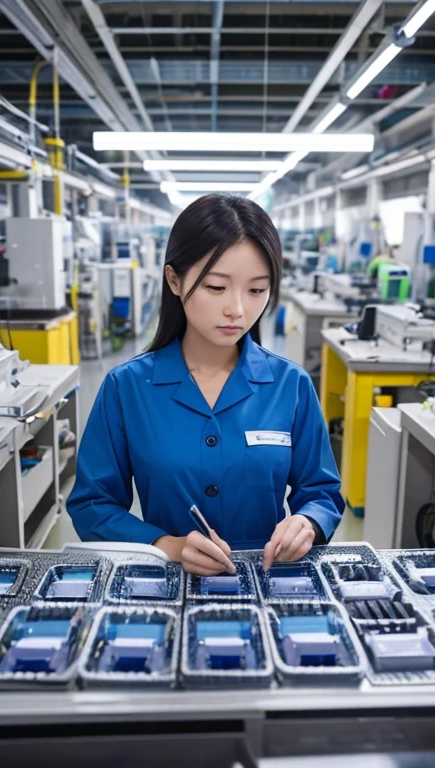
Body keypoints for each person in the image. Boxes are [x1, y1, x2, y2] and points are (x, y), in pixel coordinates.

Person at [67, 194, 344, 575]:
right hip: (166, 581)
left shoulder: (290, 385)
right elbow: (92, 504)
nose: (238, 309)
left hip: (268, 581)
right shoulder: (126, 388)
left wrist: (308, 523)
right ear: (174, 280)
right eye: (216, 287)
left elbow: (322, 492)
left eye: (257, 290)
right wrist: (167, 547)